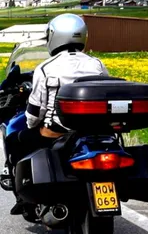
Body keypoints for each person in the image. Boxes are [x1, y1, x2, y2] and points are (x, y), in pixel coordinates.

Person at [1, 13, 109, 216]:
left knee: (15, 139)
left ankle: (23, 197)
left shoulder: (46, 68)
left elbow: (34, 114)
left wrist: (33, 125)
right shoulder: (97, 64)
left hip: (56, 132)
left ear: (54, 36)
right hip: (94, 131)